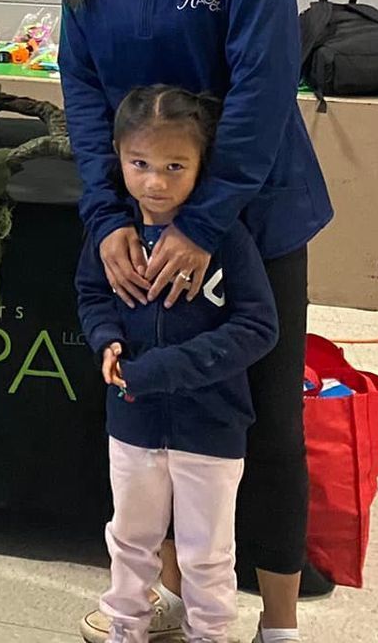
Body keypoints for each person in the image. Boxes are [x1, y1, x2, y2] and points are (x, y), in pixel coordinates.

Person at [60, 0, 333, 643]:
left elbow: (262, 85)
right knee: (164, 420)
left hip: (247, 216)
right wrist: (108, 217)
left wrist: (205, 223)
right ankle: (172, 594)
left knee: (265, 414)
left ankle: (281, 621)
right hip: (145, 223)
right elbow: (85, 95)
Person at [77, 87, 278, 643]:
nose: (155, 183)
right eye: (139, 164)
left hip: (212, 427)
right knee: (129, 538)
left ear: (200, 166)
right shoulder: (114, 238)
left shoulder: (226, 240)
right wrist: (106, 339)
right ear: (118, 158)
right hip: (133, 423)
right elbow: (93, 296)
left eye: (174, 166)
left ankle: (210, 634)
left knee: (207, 554)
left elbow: (259, 327)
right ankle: (125, 627)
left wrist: (164, 369)